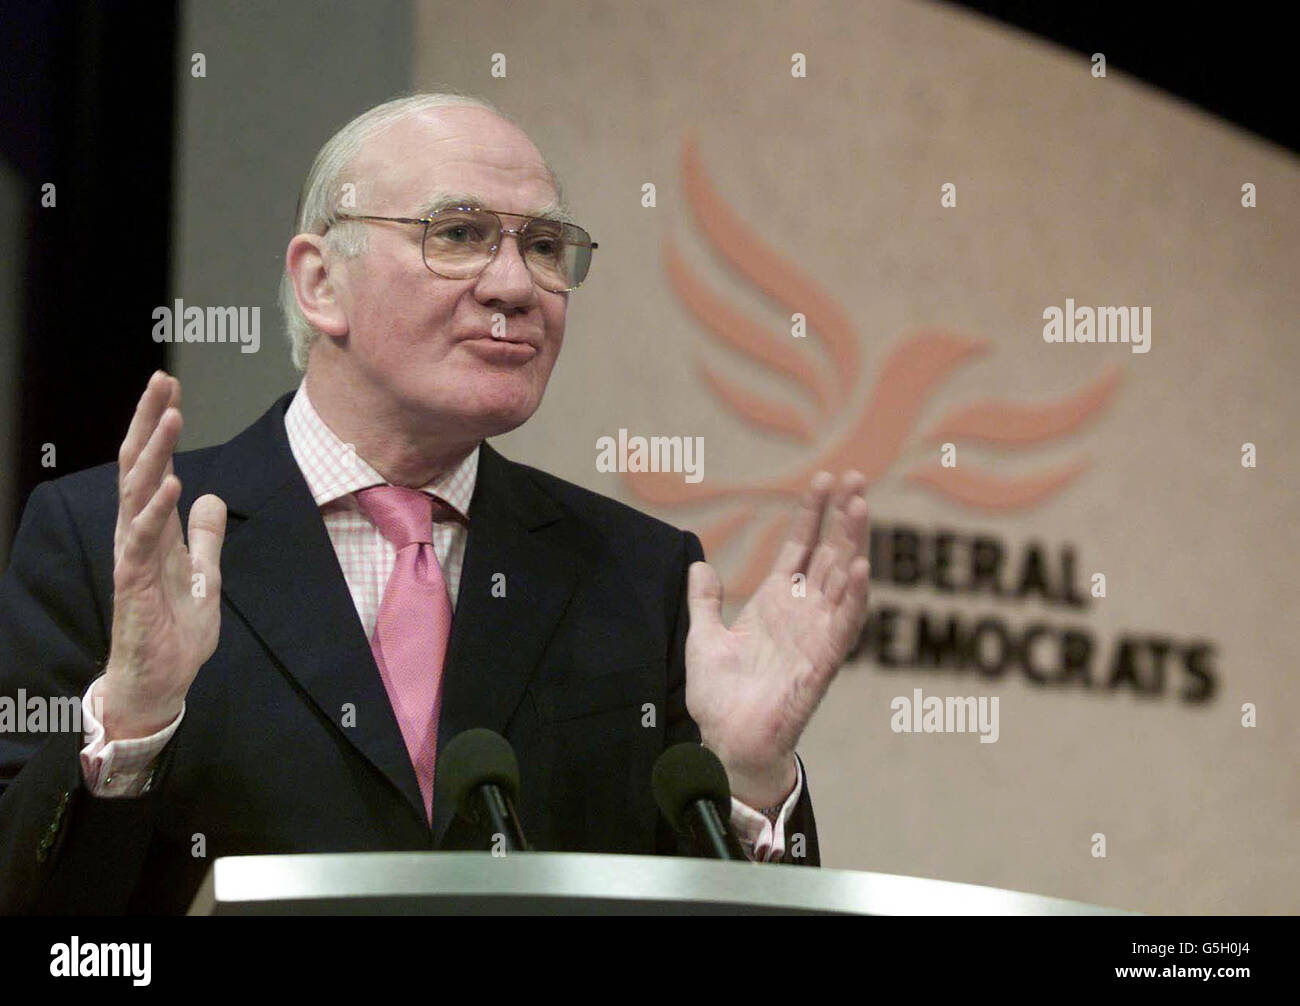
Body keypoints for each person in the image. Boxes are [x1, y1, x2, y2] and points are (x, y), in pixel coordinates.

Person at [0, 93, 871, 914]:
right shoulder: (111, 542)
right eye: (458, 234)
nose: (516, 287)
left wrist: (752, 782)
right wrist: (132, 726)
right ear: (320, 283)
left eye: (543, 246)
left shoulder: (641, 575)